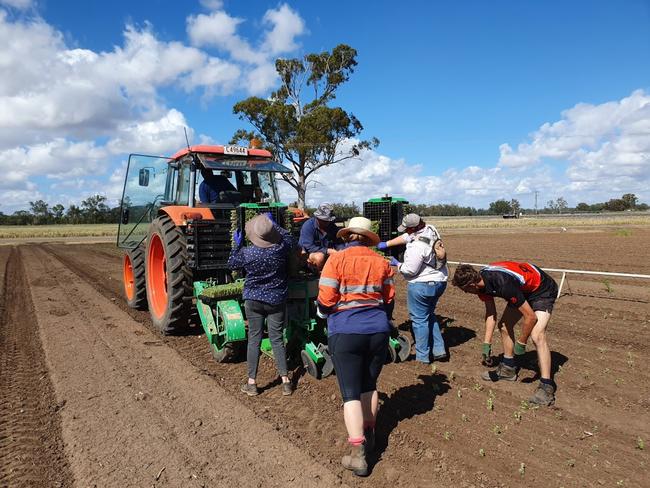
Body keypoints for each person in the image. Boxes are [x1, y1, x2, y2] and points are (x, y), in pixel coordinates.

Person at [317, 216, 395, 477]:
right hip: (378, 330)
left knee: (350, 393)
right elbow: (389, 299)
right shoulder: (381, 262)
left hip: (346, 330)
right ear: (368, 237)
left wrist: (322, 311)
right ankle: (370, 434)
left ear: (348, 235)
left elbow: (326, 300)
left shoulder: (336, 260)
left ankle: (358, 453)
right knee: (369, 385)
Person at [451, 261, 559, 406]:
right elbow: (491, 313)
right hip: (522, 289)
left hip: (542, 289)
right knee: (504, 325)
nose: (466, 293)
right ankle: (508, 369)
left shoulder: (502, 283)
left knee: (537, 335)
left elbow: (531, 317)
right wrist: (486, 344)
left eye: (465, 290)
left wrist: (521, 342)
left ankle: (547, 386)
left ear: (472, 285)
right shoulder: (481, 285)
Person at [227, 213, 294, 397]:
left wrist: (237, 245)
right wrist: (273, 225)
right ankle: (286, 382)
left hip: (253, 301)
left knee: (254, 339)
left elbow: (232, 263)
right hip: (276, 300)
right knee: (277, 339)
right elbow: (290, 238)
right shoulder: (280, 249)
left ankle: (252, 383)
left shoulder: (248, 253)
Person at [387, 213, 448, 363]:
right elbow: (407, 237)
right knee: (429, 314)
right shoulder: (430, 229)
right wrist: (387, 244)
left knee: (419, 320)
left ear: (413, 227)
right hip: (440, 281)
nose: (405, 231)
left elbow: (410, 270)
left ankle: (422, 357)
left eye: (406, 228)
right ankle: (439, 349)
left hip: (422, 285)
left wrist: (397, 263)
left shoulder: (417, 246)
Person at [298, 202, 342, 270]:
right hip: (308, 255)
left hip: (326, 254)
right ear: (318, 218)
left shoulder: (332, 226)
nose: (327, 222)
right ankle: (318, 273)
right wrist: (328, 251)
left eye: (328, 220)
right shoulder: (308, 226)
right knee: (319, 257)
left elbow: (339, 243)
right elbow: (309, 247)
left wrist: (341, 250)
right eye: (324, 220)